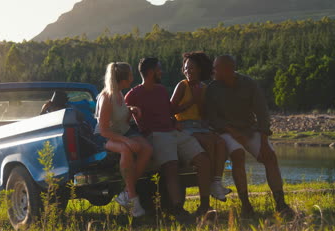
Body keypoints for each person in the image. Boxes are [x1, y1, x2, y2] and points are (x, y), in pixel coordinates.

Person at [206, 55, 294, 217]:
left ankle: (280, 203)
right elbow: (213, 118)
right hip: (226, 131)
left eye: (216, 68)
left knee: (270, 157)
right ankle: (246, 204)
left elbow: (262, 112)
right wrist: (233, 133)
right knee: (238, 155)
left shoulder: (249, 84)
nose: (213, 71)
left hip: (249, 129)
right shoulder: (212, 89)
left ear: (228, 70)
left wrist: (264, 141)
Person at [125, 58, 213, 219]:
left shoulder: (161, 90)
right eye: (159, 69)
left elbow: (169, 111)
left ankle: (205, 205)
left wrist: (175, 122)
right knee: (171, 166)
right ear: (151, 72)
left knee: (203, 159)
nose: (162, 72)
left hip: (173, 131)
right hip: (155, 134)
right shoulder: (133, 94)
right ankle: (178, 209)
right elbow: (124, 114)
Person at [170, 51, 231, 202]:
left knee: (221, 143)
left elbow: (203, 113)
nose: (188, 72)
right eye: (186, 69)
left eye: (191, 68)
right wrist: (192, 101)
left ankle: (216, 182)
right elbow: (170, 109)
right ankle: (209, 184)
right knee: (209, 143)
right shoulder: (182, 86)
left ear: (199, 69)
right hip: (185, 125)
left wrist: (199, 103)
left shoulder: (203, 87)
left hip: (200, 126)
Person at [95, 62, 153, 217]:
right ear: (124, 78)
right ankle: (133, 199)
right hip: (105, 137)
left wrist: (131, 110)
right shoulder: (106, 97)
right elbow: (103, 130)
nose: (133, 77)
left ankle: (126, 193)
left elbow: (119, 116)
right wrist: (126, 141)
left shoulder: (120, 93)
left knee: (146, 148)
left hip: (122, 132)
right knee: (125, 150)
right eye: (130, 75)